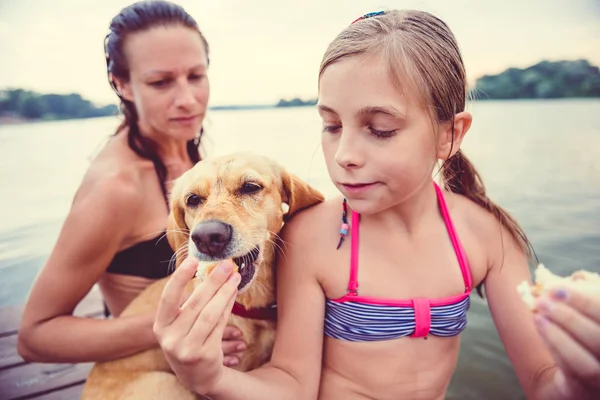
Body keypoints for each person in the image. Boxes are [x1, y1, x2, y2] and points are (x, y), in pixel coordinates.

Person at [153, 9, 600, 400]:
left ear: (450, 134)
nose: (344, 153)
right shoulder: (312, 236)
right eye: (331, 125)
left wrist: (581, 380)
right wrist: (208, 376)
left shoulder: (485, 234)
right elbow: (292, 383)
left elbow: (543, 380)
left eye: (380, 128)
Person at [17, 0, 245, 366]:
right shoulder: (115, 187)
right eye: (161, 82)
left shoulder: (190, 153)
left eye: (196, 76)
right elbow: (35, 335)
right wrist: (172, 324)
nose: (188, 100)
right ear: (120, 84)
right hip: (152, 373)